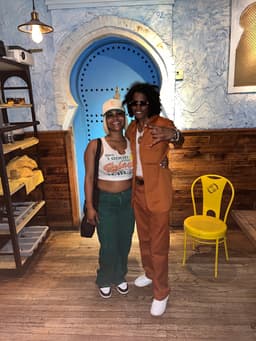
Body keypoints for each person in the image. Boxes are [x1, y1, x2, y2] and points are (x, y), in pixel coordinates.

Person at [123, 82, 184, 316]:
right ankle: (149, 274)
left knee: (159, 246)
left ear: (151, 103)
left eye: (143, 102)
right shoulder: (131, 129)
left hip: (157, 191)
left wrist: (174, 135)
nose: (138, 107)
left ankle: (161, 292)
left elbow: (180, 140)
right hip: (137, 192)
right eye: (134, 103)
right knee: (145, 239)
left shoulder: (162, 125)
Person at [84, 89, 135, 299]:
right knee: (109, 244)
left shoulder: (133, 144)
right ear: (105, 119)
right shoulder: (96, 145)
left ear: (124, 117)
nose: (116, 118)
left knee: (125, 242)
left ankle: (120, 276)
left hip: (128, 201)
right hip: (105, 202)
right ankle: (104, 278)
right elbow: (88, 178)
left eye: (119, 114)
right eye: (111, 115)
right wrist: (90, 207)